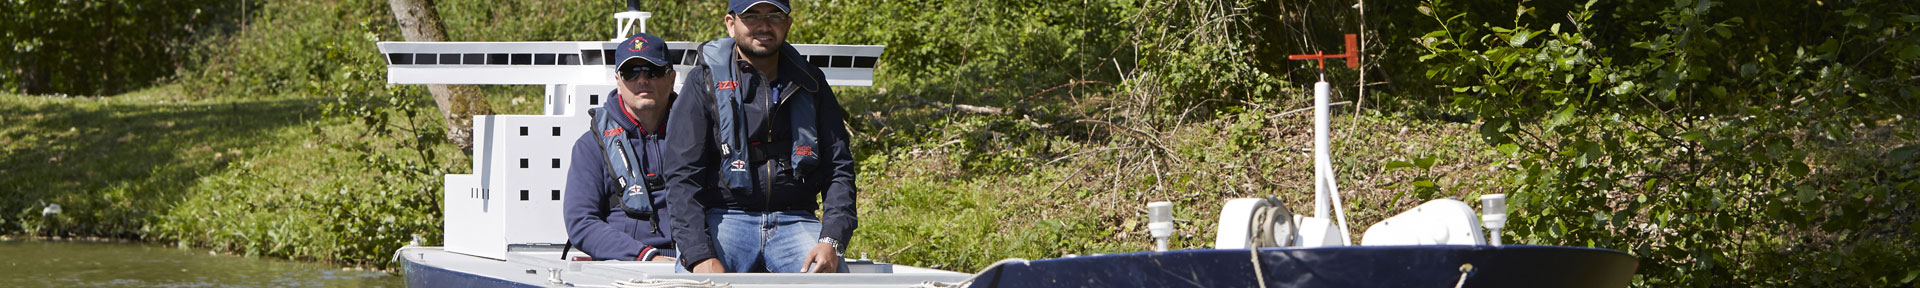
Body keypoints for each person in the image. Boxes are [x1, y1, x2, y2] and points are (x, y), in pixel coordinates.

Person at [665, 0, 858, 273]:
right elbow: (681, 176)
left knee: (829, 278)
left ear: (788, 24)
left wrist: (832, 240)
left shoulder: (812, 82)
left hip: (796, 219)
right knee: (697, 281)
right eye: (752, 16)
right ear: (731, 25)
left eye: (774, 16)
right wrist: (699, 255)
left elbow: (839, 169)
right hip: (725, 217)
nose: (764, 26)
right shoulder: (703, 82)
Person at [563, 32, 681, 262]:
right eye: (630, 72)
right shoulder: (589, 146)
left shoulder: (699, 135)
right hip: (627, 266)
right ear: (618, 82)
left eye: (653, 71)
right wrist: (645, 257)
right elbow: (581, 222)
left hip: (696, 262)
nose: (642, 80)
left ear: (672, 78)